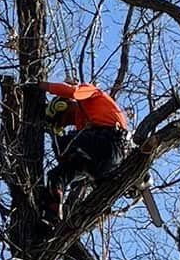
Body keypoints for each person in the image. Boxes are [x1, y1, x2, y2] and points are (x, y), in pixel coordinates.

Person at [41, 80, 133, 219]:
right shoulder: (83, 127)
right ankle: (53, 212)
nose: (68, 122)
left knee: (65, 142)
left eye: (65, 118)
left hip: (111, 142)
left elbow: (73, 92)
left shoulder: (91, 94)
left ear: (64, 105)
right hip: (103, 163)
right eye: (63, 123)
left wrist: (45, 86)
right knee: (57, 174)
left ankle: (126, 181)